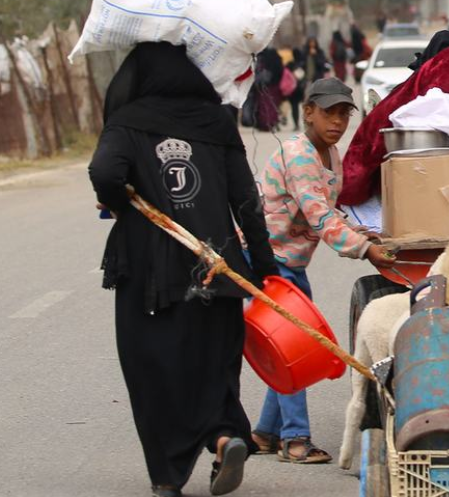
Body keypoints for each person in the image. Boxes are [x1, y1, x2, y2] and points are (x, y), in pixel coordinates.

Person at [88, 42, 278, 497]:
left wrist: (122, 204)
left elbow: (105, 172)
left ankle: (168, 477)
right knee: (214, 365)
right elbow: (247, 201)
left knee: (153, 369)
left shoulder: (127, 122)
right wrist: (263, 268)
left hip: (150, 277)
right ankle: (224, 436)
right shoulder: (216, 121)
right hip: (217, 269)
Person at [251, 77, 396, 464]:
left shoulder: (329, 154)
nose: (337, 122)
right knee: (293, 346)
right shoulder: (299, 154)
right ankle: (295, 440)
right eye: (328, 113)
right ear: (308, 112)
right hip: (268, 261)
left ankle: (265, 433)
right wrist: (366, 249)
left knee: (293, 345)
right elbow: (317, 215)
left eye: (344, 114)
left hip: (292, 261)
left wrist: (364, 231)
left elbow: (332, 212)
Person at [286, 38, 329, 127]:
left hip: (317, 80)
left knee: (317, 102)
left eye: (313, 43)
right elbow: (300, 65)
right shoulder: (304, 54)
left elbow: (323, 65)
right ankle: (307, 121)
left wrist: (315, 56)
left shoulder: (319, 52)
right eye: (310, 43)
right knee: (307, 102)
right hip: (306, 82)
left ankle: (317, 121)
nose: (312, 45)